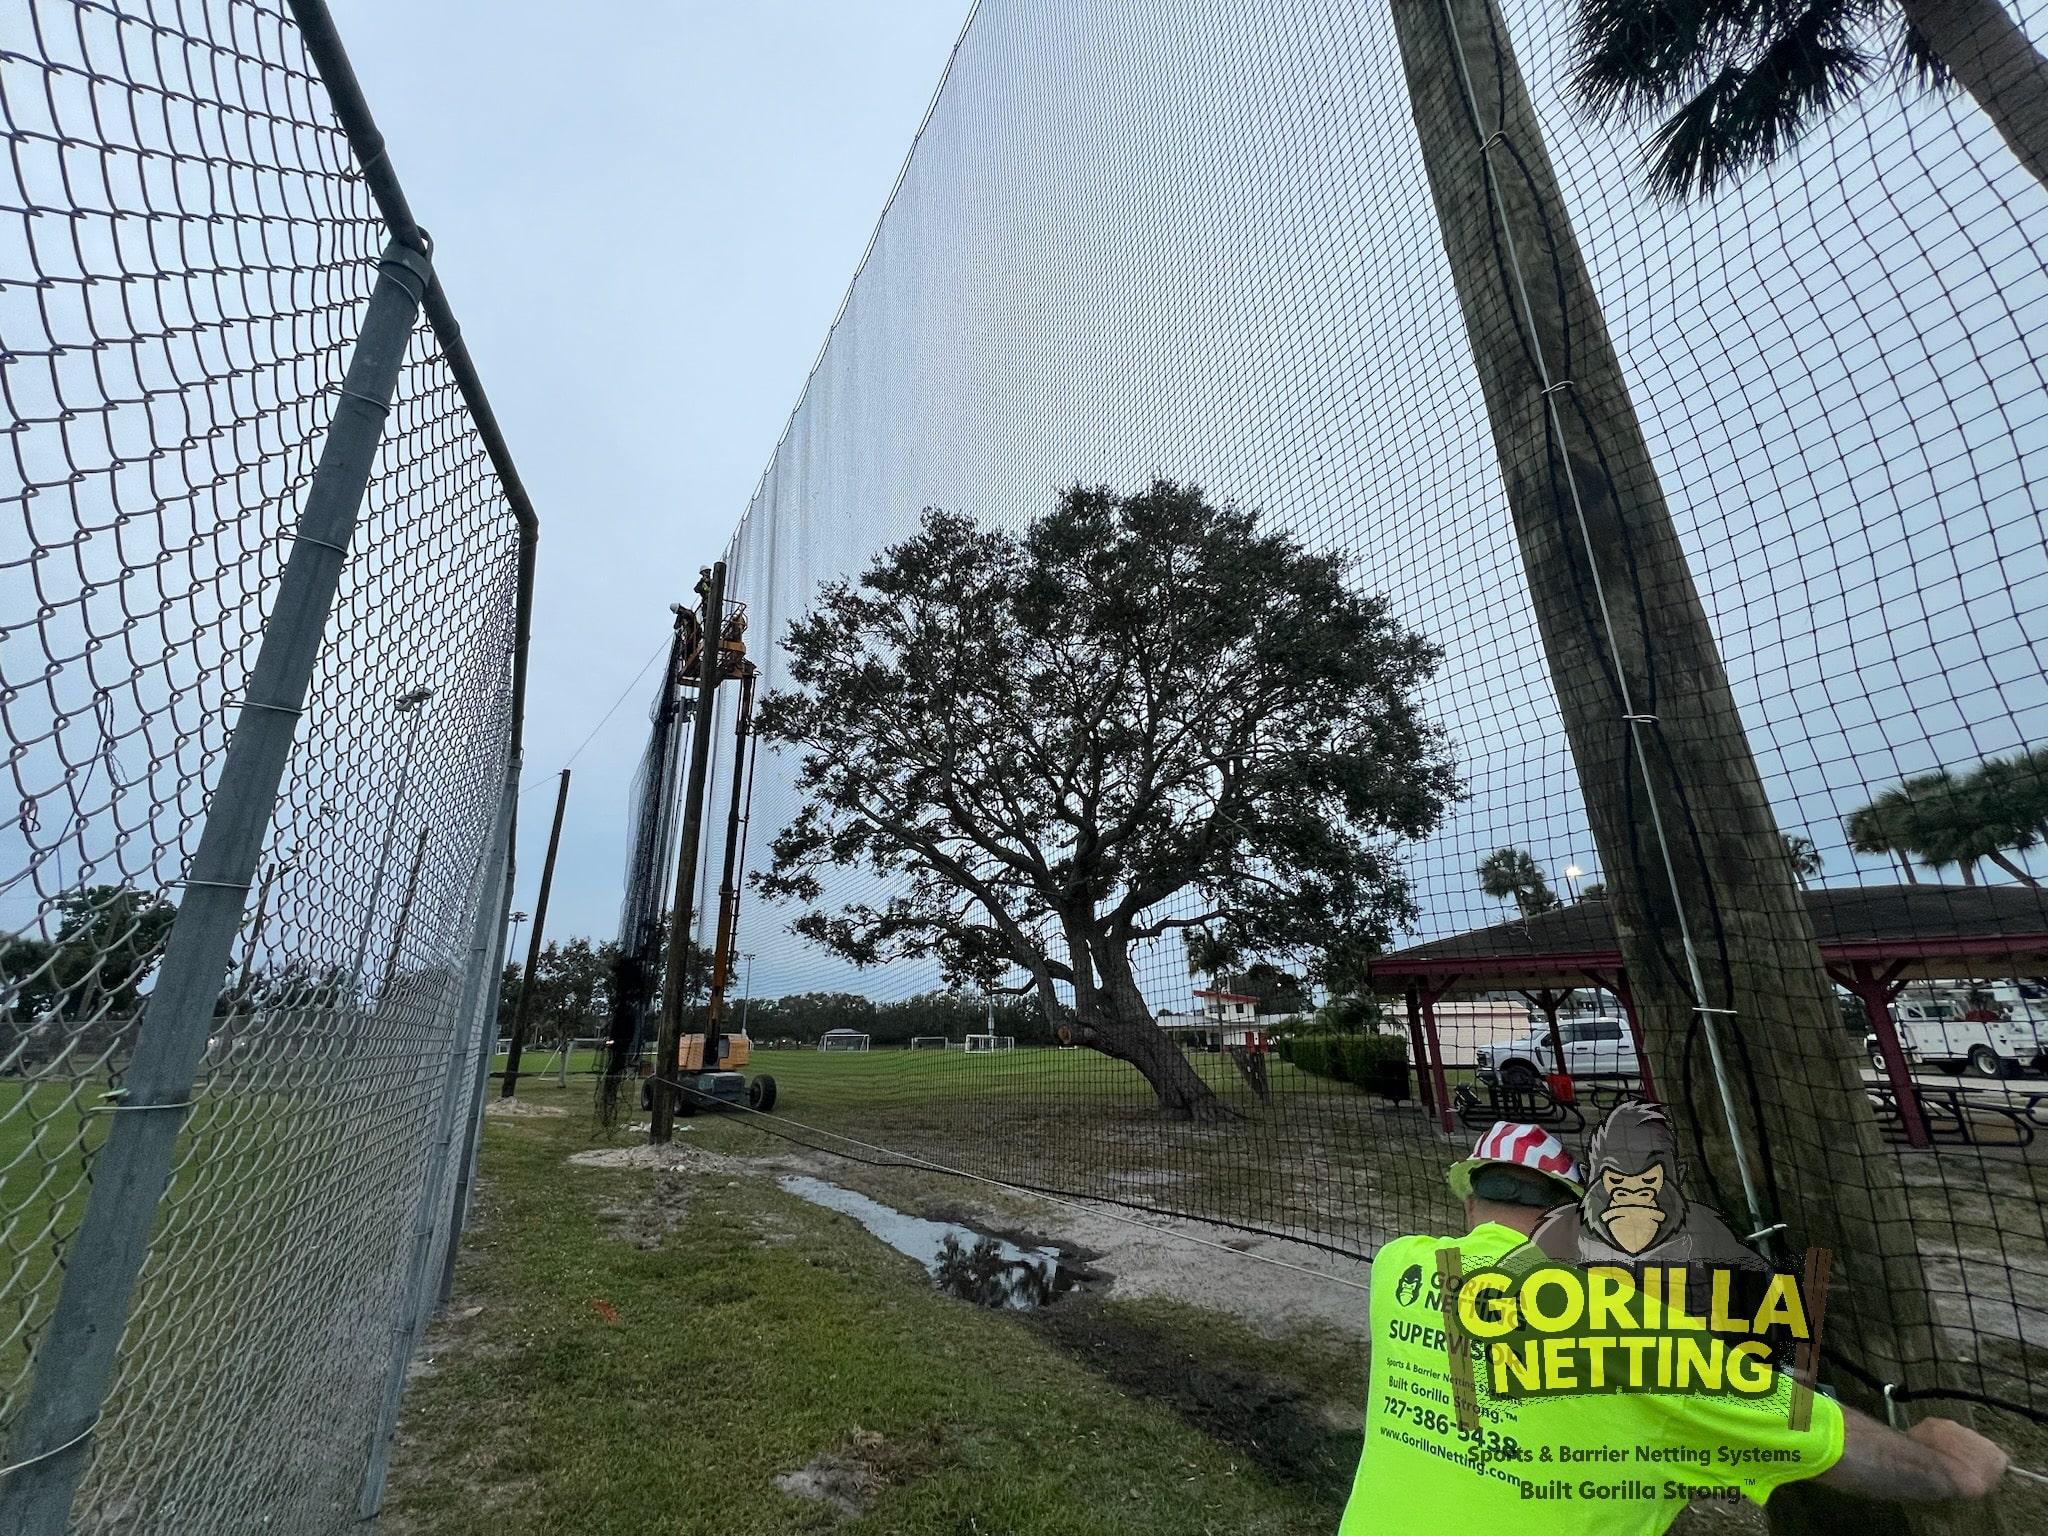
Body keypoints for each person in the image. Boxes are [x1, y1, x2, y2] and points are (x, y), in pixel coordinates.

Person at [1338, 1121, 2008, 1533]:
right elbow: (1823, 1440)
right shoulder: (1632, 1330)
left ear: (1469, 1198)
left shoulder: (1398, 1267)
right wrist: (1953, 1468)